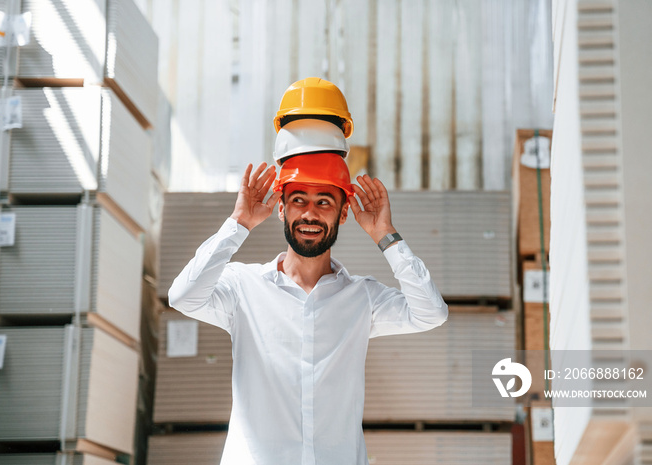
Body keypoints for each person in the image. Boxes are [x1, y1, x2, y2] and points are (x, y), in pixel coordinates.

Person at [168, 78, 448, 465]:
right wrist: (238, 224)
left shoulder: (362, 299)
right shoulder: (242, 288)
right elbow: (182, 297)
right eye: (298, 200)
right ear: (281, 208)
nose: (310, 213)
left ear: (344, 212)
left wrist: (386, 235)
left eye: (324, 202)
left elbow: (431, 313)